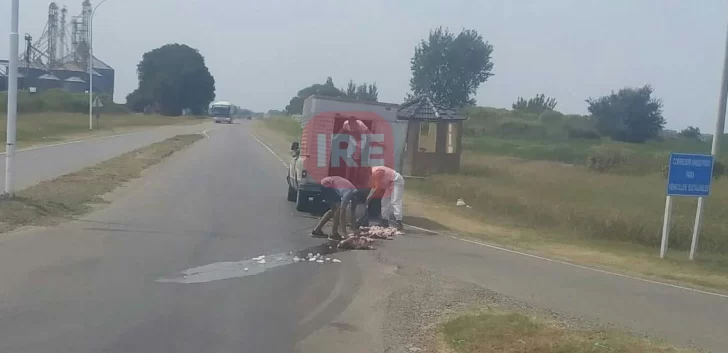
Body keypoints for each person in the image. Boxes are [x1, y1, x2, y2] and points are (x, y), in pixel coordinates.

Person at [311, 176, 361, 240]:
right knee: (338, 209)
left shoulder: (354, 194)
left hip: (328, 183)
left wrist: (354, 230)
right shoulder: (349, 193)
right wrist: (344, 233)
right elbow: (342, 212)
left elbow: (353, 213)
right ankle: (334, 234)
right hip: (327, 184)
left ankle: (317, 230)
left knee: (333, 210)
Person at [365, 166, 405, 231]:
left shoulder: (376, 172)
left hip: (396, 181)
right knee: (385, 201)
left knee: (395, 201)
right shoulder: (373, 173)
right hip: (389, 183)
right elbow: (378, 188)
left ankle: (399, 222)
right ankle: (384, 220)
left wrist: (369, 199)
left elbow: (378, 189)